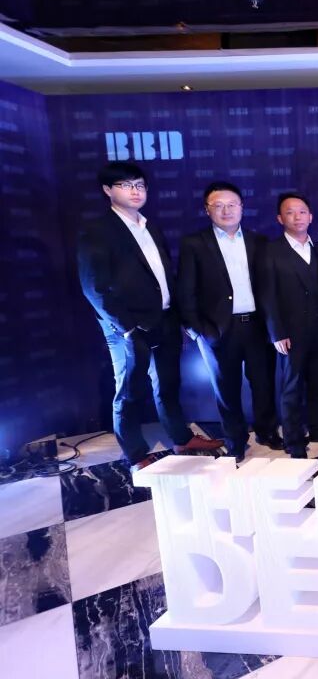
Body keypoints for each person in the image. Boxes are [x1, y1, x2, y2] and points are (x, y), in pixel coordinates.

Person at [77, 163, 223, 468]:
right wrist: (127, 329)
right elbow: (94, 288)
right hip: (127, 328)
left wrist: (178, 317)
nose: (135, 191)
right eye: (126, 185)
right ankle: (136, 454)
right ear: (107, 190)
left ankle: (181, 439)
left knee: (168, 386)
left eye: (140, 185)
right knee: (129, 392)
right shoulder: (98, 231)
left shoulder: (150, 226)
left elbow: (163, 276)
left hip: (165, 320)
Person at [177, 181, 281, 460]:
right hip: (217, 329)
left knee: (264, 383)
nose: (226, 211)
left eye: (232, 204)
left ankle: (267, 430)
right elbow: (185, 290)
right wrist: (197, 331)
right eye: (218, 205)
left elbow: (270, 287)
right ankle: (235, 439)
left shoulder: (259, 241)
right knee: (226, 388)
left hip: (257, 325)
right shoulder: (194, 243)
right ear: (207, 209)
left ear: (242, 207)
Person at [257, 193, 318, 459]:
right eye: (290, 212)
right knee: (292, 388)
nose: (297, 217)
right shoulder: (270, 251)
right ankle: (293, 440)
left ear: (311, 217)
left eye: (302, 211)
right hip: (290, 333)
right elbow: (267, 295)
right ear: (279, 218)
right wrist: (277, 332)